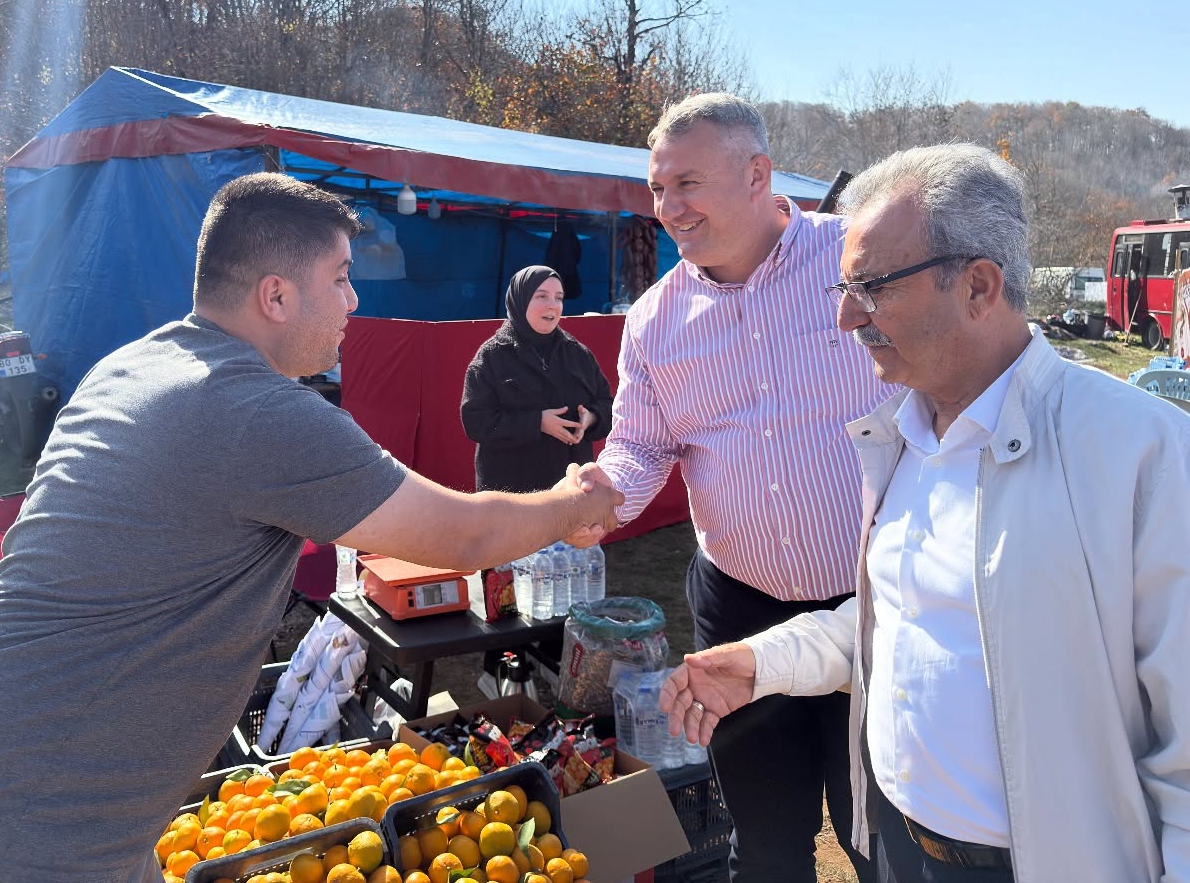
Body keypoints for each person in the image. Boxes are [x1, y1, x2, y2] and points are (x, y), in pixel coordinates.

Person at [0, 173, 621, 883]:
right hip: (4, 846)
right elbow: (463, 537)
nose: (354, 300)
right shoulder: (260, 413)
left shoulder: (130, 366)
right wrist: (570, 503)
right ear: (276, 295)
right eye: (340, 277)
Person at [659, 144, 1190, 882]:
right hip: (902, 854)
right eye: (843, 288)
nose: (846, 317)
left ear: (978, 286)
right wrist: (764, 664)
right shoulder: (901, 436)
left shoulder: (1144, 452)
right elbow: (903, 620)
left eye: (872, 287)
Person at [580, 92, 891, 883]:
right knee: (766, 840)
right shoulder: (654, 320)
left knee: (884, 838)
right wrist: (595, 496)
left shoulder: (858, 260)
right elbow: (641, 448)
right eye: (658, 188)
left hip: (878, 607)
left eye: (687, 183)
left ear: (758, 175)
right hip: (741, 613)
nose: (669, 208)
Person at [460, 265, 615, 493]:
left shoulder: (578, 354)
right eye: (542, 296)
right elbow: (476, 422)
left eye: (559, 297)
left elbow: (610, 407)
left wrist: (591, 418)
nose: (553, 305)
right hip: (511, 494)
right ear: (520, 300)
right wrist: (537, 422)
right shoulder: (491, 357)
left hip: (570, 492)